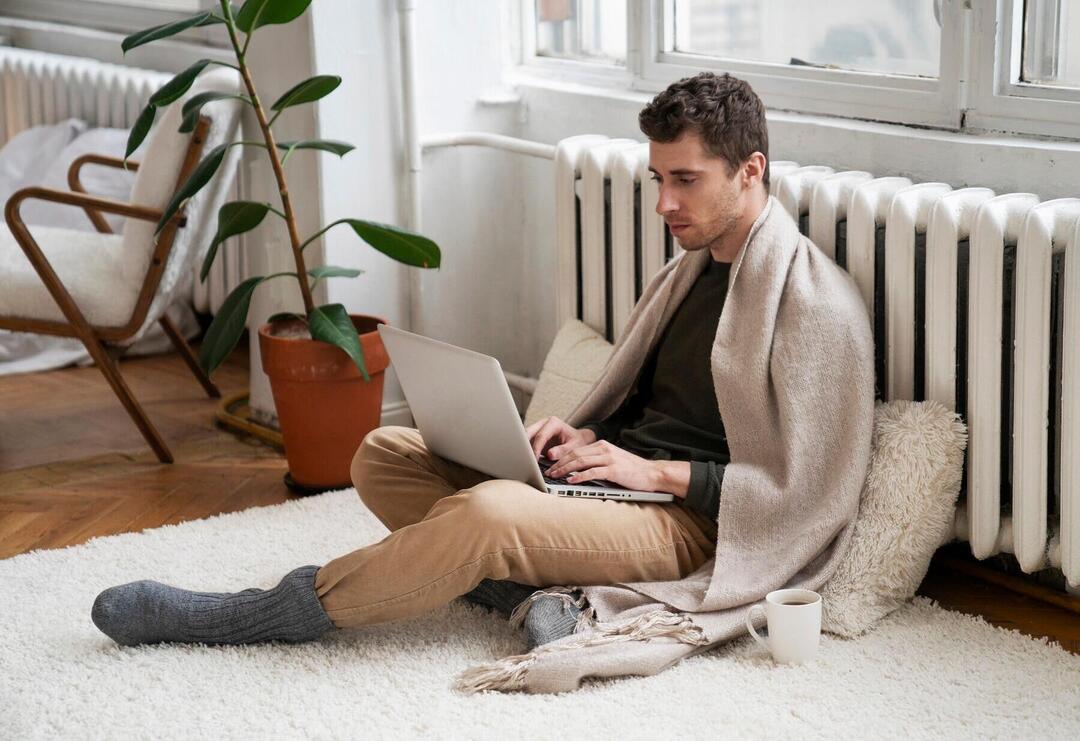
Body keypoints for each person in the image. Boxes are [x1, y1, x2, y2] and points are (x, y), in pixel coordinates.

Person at [90, 71, 772, 652]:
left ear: (750, 171)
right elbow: (646, 403)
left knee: (487, 513)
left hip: (686, 526)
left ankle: (252, 613)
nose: (663, 203)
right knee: (383, 452)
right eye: (658, 178)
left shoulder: (804, 303)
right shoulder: (685, 273)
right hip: (619, 490)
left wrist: (651, 471)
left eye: (684, 180)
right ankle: (537, 595)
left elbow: (795, 489)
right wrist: (590, 439)